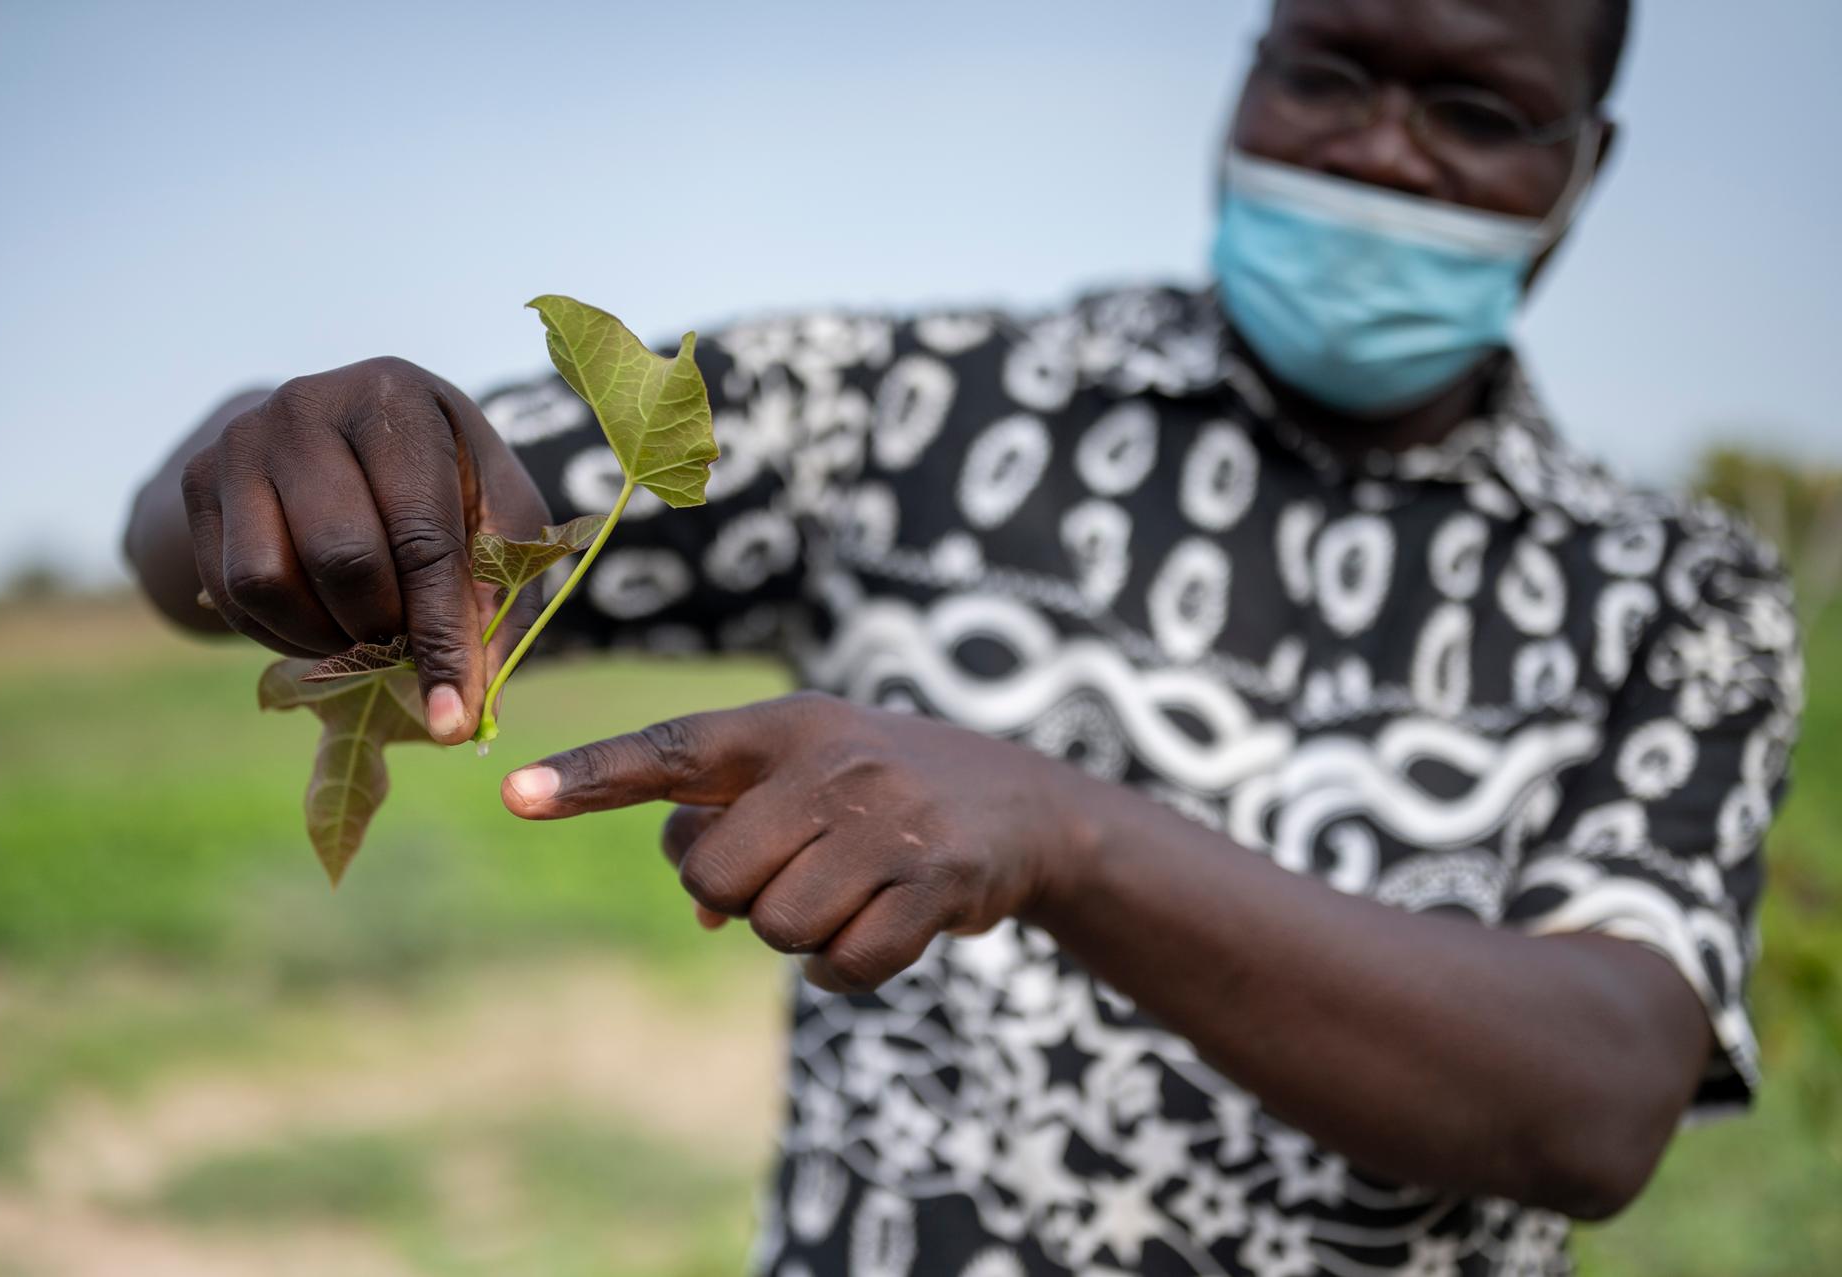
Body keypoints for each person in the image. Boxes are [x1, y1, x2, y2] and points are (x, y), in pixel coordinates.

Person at [124, 0, 1804, 1273]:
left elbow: (1595, 1099)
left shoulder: (1679, 593)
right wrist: (270, 454)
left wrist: (1069, 833)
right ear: (1245, 72)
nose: (1376, 148)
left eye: (1475, 109)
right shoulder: (905, 408)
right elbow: (302, 535)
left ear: (1585, 164)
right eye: (1323, 72)